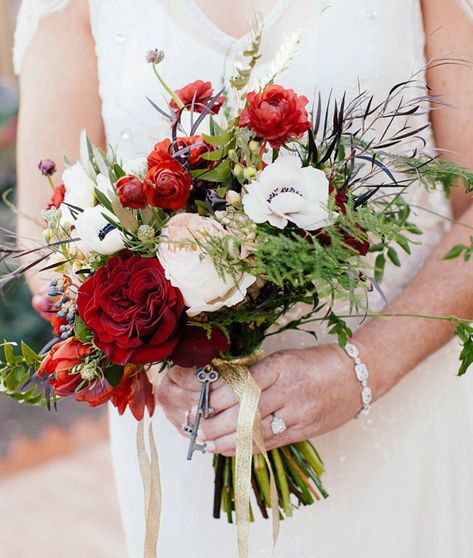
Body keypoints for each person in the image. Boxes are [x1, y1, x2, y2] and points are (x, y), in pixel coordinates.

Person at [14, 1, 473, 556]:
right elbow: (47, 233)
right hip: (199, 430)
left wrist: (364, 367)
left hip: (407, 402)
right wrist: (159, 364)